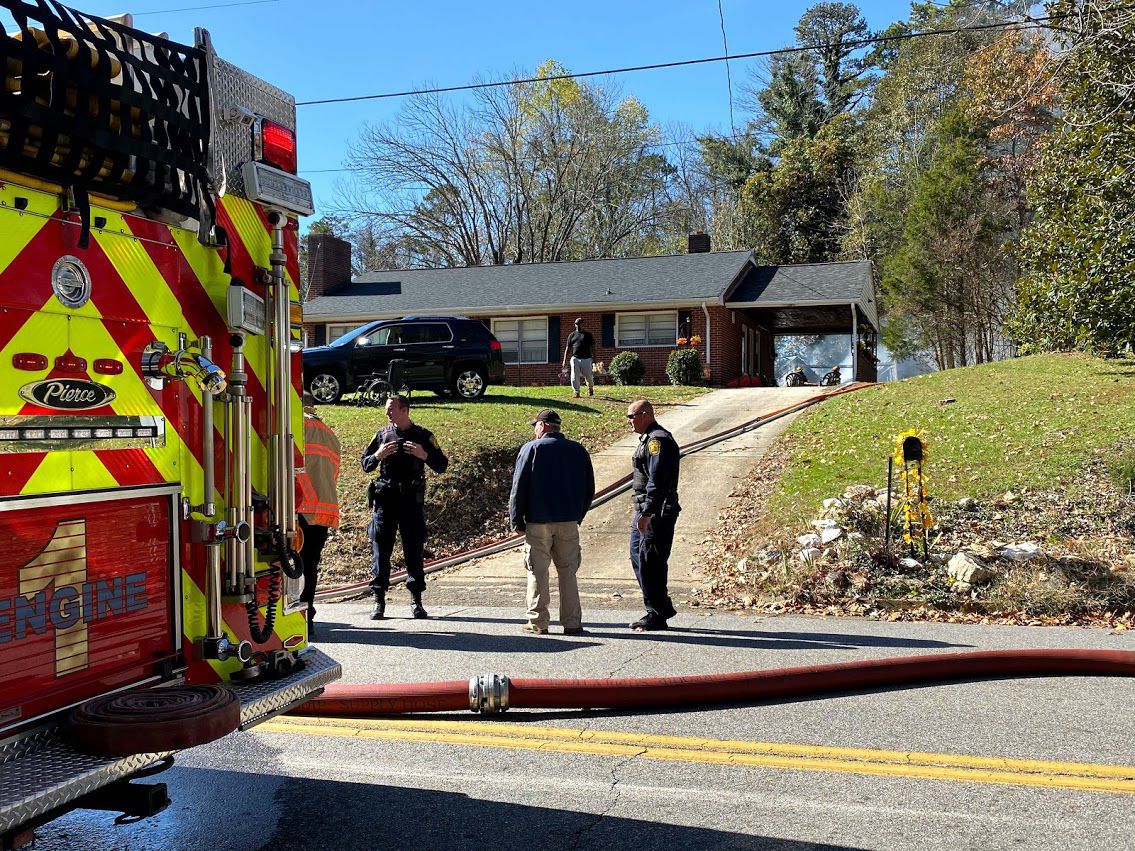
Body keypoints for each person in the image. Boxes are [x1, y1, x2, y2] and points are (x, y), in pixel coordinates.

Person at [361, 394, 448, 620]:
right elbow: (365, 464)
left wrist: (423, 454)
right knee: (381, 551)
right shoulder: (382, 435)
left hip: (410, 502)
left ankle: (416, 600)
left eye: (391, 409)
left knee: (413, 550)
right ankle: (378, 600)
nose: (387, 413)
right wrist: (378, 455)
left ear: (404, 410)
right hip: (386, 502)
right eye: (387, 409)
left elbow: (442, 465)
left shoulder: (423, 435)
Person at [509, 409, 595, 635]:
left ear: (543, 426)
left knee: (537, 571)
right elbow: (589, 488)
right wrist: (578, 514)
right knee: (568, 571)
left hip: (538, 521)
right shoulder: (578, 450)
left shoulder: (531, 449)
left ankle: (538, 622)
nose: (534, 430)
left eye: (535, 425)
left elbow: (519, 486)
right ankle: (572, 622)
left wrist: (516, 519)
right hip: (568, 520)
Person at [626, 399, 681, 631]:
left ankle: (656, 613)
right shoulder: (648, 438)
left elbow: (657, 480)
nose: (629, 421)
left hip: (656, 513)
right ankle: (660, 606)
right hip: (645, 510)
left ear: (645, 415)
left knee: (651, 562)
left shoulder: (657, 441)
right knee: (638, 557)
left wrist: (648, 512)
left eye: (631, 416)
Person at [296, 391, 341, 638]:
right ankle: (308, 615)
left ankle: (296, 614)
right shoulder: (329, 434)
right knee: (310, 565)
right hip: (323, 509)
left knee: (292, 565)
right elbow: (334, 473)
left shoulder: (295, 427)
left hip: (299, 507)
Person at [562, 317, 596, 398]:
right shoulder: (571, 335)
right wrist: (564, 360)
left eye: (579, 323)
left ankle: (590, 387)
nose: (578, 325)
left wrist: (594, 358)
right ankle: (576, 391)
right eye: (576, 324)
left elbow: (593, 347)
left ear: (582, 324)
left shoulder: (588, 335)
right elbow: (568, 348)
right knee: (574, 376)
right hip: (575, 358)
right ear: (575, 325)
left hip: (586, 358)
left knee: (589, 376)